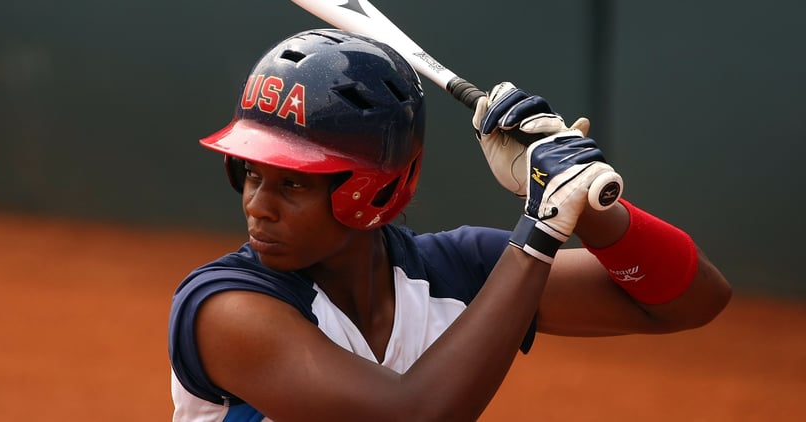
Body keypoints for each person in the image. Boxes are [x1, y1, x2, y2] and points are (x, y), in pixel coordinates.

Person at [167, 28, 731, 421]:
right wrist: (541, 229)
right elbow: (411, 415)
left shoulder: (456, 271)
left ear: (376, 187)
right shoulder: (226, 309)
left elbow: (693, 301)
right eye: (250, 173)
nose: (257, 205)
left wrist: (588, 199)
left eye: (292, 183)